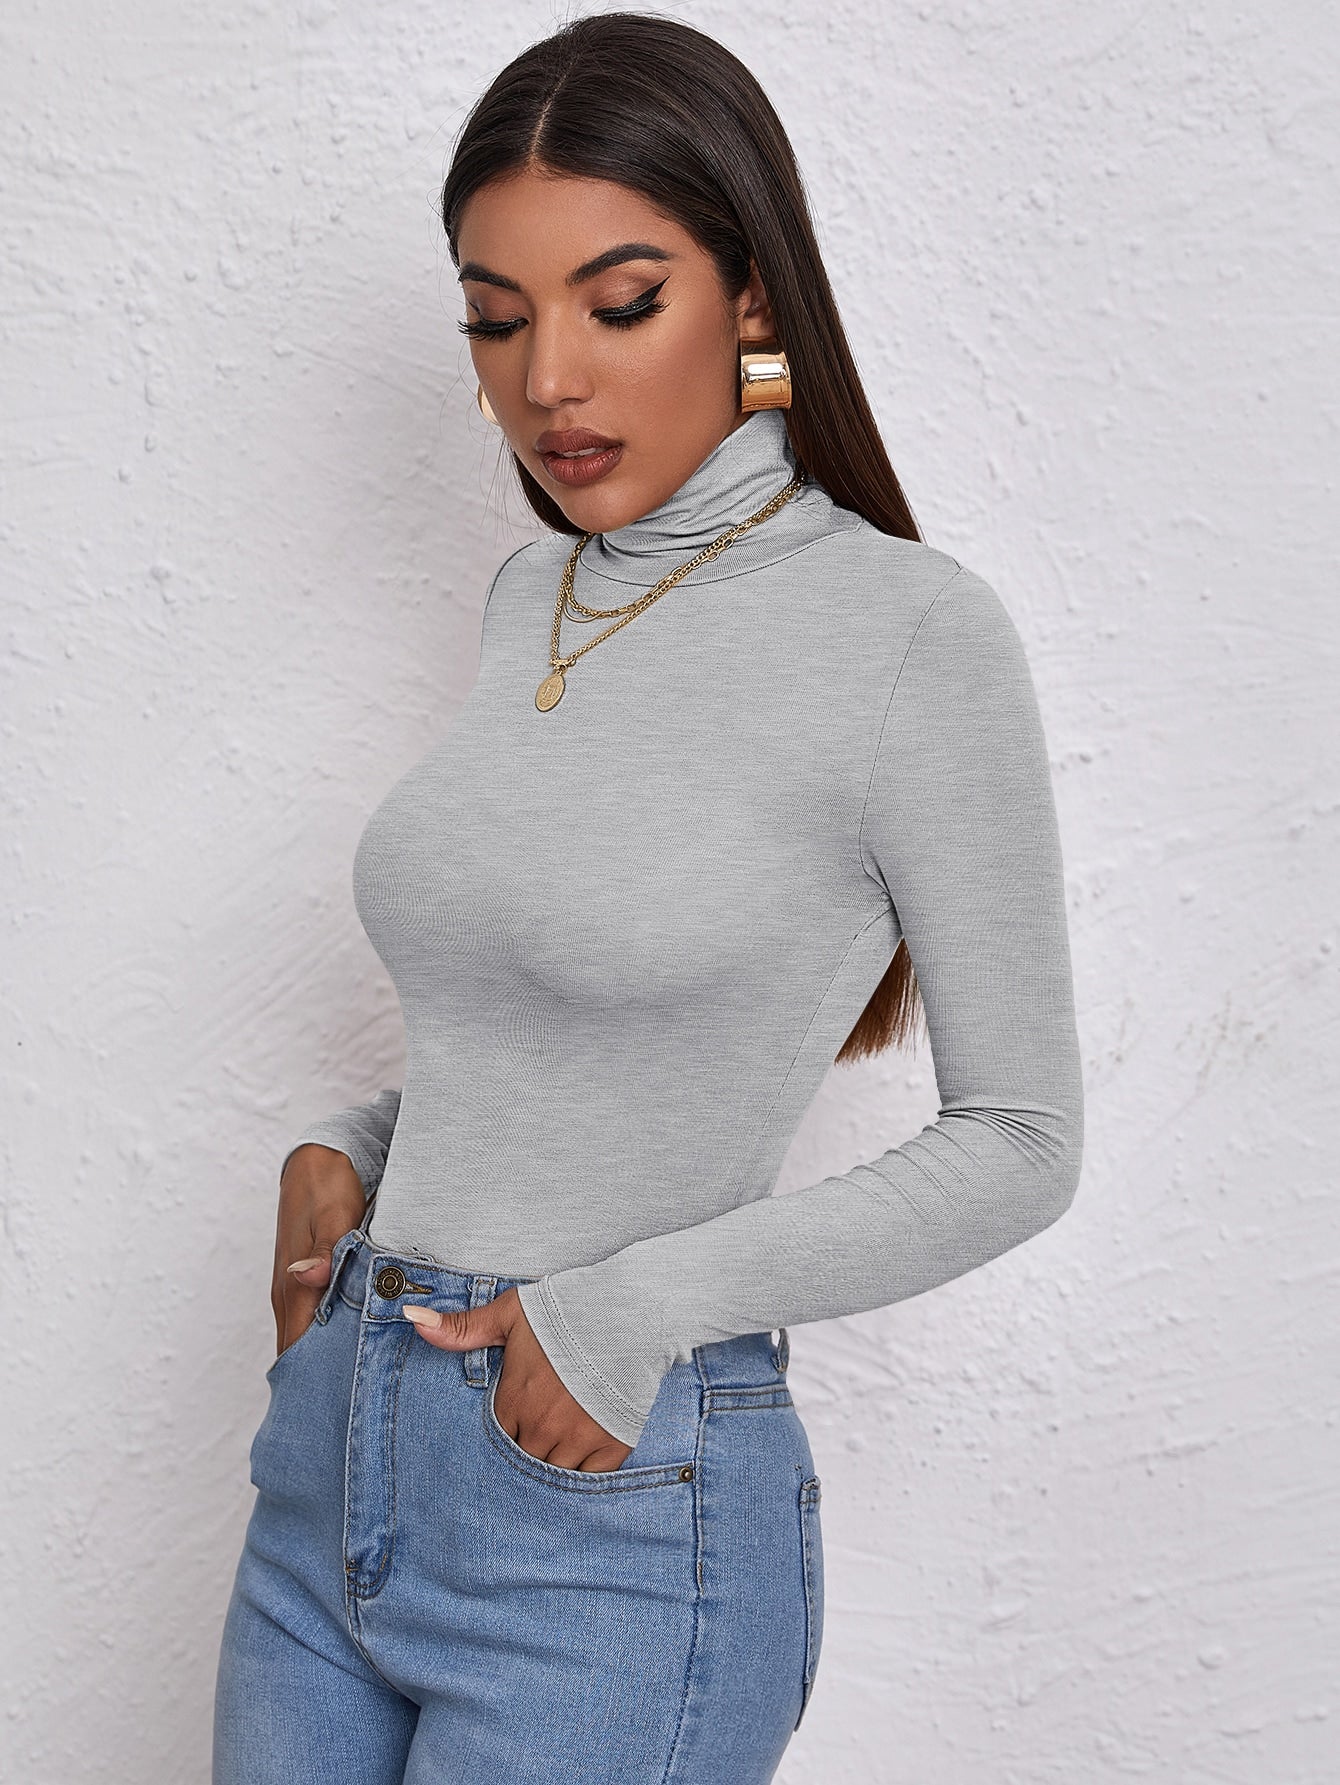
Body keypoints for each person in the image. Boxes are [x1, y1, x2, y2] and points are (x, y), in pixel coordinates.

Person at [211, 12, 1084, 1783]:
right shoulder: (530, 599)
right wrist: (353, 1147)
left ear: (751, 295)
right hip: (335, 1463)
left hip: (601, 1519)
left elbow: (1023, 1138)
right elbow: (541, 1025)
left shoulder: (910, 634)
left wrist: (618, 1313)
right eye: (496, 317)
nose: (549, 381)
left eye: (619, 303)